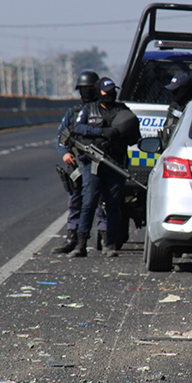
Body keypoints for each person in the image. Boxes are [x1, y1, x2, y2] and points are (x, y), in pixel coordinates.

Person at [69, 77, 141, 258]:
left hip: (115, 163)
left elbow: (134, 136)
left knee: (113, 204)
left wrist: (119, 135)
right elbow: (79, 128)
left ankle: (110, 244)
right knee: (88, 203)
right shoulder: (88, 109)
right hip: (93, 163)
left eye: (112, 92)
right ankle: (81, 243)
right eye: (105, 92)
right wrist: (101, 132)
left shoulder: (123, 111)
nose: (109, 95)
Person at [52, 70, 109, 254]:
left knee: (101, 202)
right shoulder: (74, 112)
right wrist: (65, 153)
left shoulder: (102, 110)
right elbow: (62, 135)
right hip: (78, 163)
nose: (86, 92)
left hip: (98, 164)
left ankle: (104, 237)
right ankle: (73, 236)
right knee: (75, 200)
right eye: (83, 89)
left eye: (89, 88)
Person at [159, 72, 192, 146]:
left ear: (185, 89)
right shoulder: (173, 108)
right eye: (172, 90)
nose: (173, 93)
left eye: (176, 90)